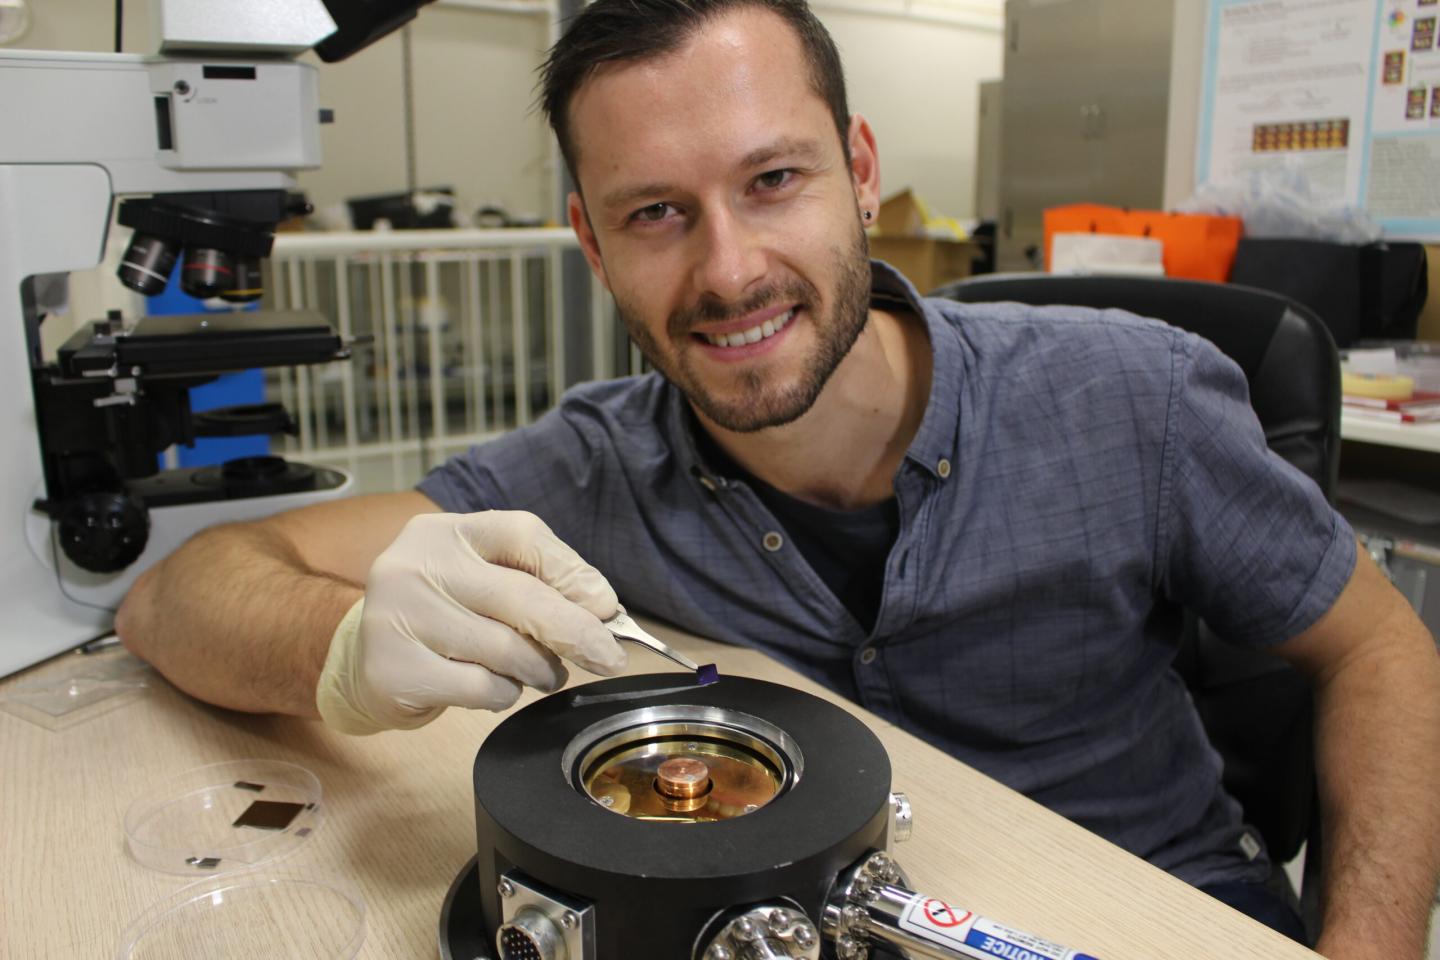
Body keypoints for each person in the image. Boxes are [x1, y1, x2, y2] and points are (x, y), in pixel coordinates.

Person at [116, 0, 1440, 954]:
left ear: (859, 173)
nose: (730, 268)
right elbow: (180, 594)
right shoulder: (592, 468)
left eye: (773, 179)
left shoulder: (1131, 395)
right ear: (590, 242)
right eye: (655, 213)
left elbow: (1383, 650)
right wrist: (347, 651)